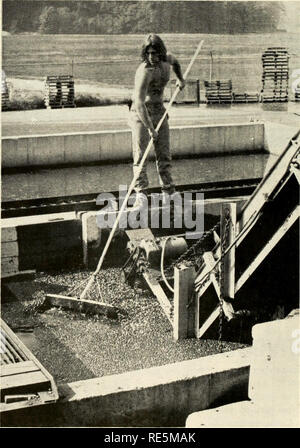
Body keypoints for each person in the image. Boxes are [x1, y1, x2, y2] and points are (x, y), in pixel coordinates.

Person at [128, 34, 185, 208]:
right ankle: (141, 194)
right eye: (148, 53)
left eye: (154, 53)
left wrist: (180, 79)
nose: (151, 57)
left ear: (161, 52)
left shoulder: (167, 61)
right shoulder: (143, 71)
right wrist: (150, 128)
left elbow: (176, 63)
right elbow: (138, 103)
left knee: (164, 154)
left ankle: (168, 191)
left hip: (160, 111)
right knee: (140, 156)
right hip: (141, 115)